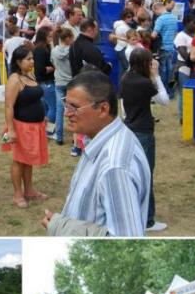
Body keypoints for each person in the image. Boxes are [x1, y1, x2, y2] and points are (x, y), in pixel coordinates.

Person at [42, 70, 151, 236]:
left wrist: (62, 228)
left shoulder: (115, 168)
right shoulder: (101, 140)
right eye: (66, 104)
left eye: (74, 107)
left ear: (103, 109)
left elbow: (126, 239)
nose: (67, 113)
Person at [120, 47, 169, 233]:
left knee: (132, 174)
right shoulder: (144, 83)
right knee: (146, 175)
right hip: (143, 132)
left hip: (129, 128)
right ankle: (148, 220)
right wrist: (156, 76)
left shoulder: (125, 78)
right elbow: (164, 100)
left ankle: (133, 213)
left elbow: (123, 105)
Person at [3, 46, 49, 209]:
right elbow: (9, 106)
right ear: (18, 61)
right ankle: (17, 194)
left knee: (28, 159)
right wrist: (11, 130)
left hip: (34, 126)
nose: (32, 61)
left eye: (32, 58)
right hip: (20, 126)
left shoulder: (29, 74)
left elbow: (35, 98)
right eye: (28, 59)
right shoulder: (15, 79)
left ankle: (29, 190)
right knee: (19, 160)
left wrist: (42, 116)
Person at [50, 28, 74, 147]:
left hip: (59, 82)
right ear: (68, 38)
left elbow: (53, 63)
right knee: (74, 110)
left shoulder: (54, 51)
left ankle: (59, 137)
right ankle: (76, 137)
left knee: (60, 110)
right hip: (71, 82)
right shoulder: (73, 50)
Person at [151, 0, 178, 98]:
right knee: (170, 71)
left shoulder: (160, 19)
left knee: (162, 71)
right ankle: (170, 93)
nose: (173, 7)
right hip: (172, 48)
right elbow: (175, 34)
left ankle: (163, 92)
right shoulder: (174, 18)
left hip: (162, 47)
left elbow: (154, 35)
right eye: (172, 5)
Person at [174, 15, 195, 123]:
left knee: (190, 92)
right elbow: (183, 53)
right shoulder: (181, 36)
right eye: (194, 23)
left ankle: (190, 114)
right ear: (186, 23)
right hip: (183, 66)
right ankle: (182, 116)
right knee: (183, 92)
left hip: (193, 66)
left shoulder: (194, 35)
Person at [33, 27, 56, 137]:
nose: (51, 39)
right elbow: (41, 69)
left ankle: (43, 129)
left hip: (42, 83)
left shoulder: (41, 49)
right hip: (46, 83)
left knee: (46, 108)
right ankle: (49, 131)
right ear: (43, 37)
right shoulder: (41, 51)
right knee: (53, 108)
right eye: (49, 37)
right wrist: (53, 68)